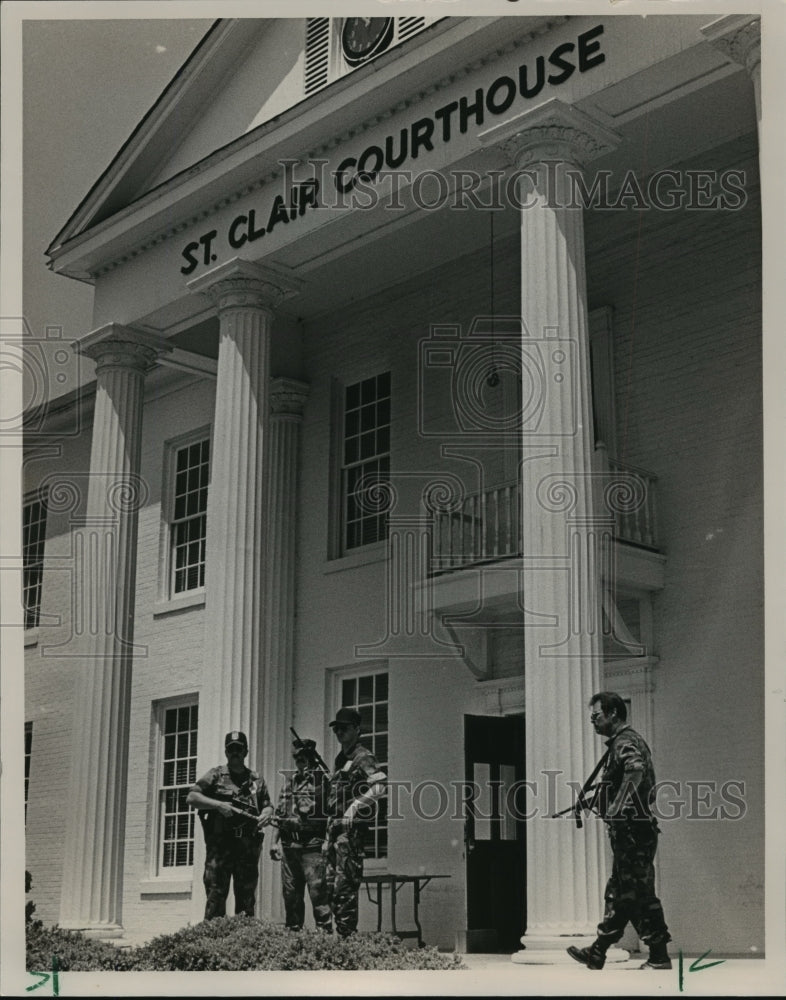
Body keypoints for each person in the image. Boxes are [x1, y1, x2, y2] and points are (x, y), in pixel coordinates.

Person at [567, 691, 672, 971]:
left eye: (596, 716)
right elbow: (621, 783)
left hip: (632, 830)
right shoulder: (621, 742)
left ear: (613, 713)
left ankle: (614, 951)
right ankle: (612, 951)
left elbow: (635, 771)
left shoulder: (624, 742)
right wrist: (594, 802)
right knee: (631, 892)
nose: (593, 721)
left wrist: (617, 806)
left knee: (630, 892)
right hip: (633, 829)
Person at [187, 730, 274, 920]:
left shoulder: (256, 780)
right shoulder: (216, 775)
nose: (235, 752)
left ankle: (243, 945)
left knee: (246, 902)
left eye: (239, 749)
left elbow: (267, 806)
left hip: (247, 849)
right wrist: (218, 805)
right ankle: (213, 943)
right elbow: (192, 797)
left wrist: (267, 814)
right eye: (231, 749)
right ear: (226, 752)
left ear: (246, 752)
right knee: (215, 898)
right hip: (221, 848)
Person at [325, 707, 387, 937]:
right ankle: (339, 940)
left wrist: (354, 807)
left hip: (350, 834)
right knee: (331, 888)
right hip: (335, 833)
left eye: (344, 728)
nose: (339, 732)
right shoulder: (341, 758)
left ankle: (347, 943)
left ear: (357, 730)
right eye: (336, 729)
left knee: (345, 888)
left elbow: (380, 786)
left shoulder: (363, 756)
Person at [269, 738, 332, 932]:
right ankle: (295, 945)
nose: (299, 761)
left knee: (319, 897)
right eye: (296, 757)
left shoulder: (324, 782)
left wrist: (328, 840)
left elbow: (333, 814)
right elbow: (280, 814)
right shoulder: (289, 783)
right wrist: (274, 842)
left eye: (304, 757)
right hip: (290, 849)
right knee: (291, 899)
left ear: (312, 758)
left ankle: (324, 942)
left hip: (313, 847)